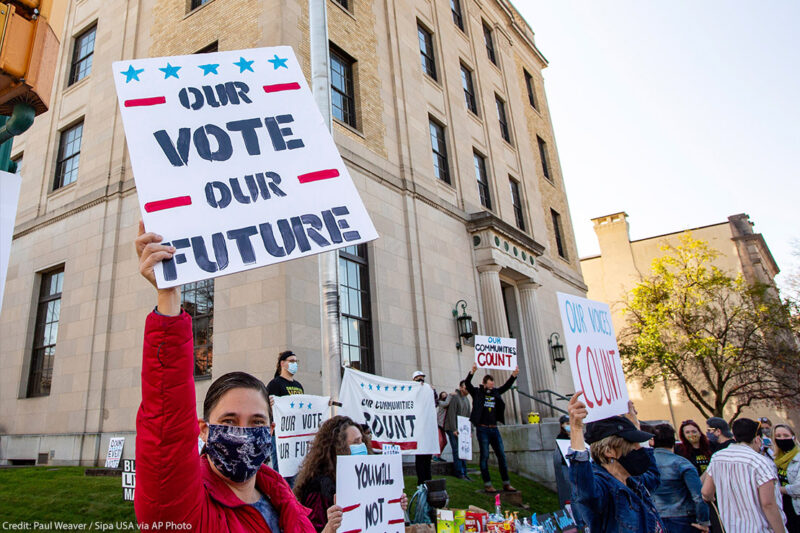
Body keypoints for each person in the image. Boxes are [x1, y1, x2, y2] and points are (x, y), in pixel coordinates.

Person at [134, 223, 315, 532]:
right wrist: (169, 298)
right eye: (229, 422)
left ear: (271, 430)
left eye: (257, 423)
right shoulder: (184, 511)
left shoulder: (284, 499)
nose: (244, 434)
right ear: (203, 430)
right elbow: (166, 417)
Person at [566, 393, 666, 532]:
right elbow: (585, 491)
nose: (639, 448)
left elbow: (653, 477)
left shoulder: (633, 481)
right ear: (609, 451)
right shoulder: (603, 487)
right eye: (633, 443)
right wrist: (576, 429)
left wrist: (634, 425)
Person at [293, 415, 408, 532]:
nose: (362, 446)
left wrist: (395, 505)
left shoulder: (367, 479)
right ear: (338, 447)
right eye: (356, 442)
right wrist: (330, 527)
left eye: (362, 440)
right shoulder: (318, 487)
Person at [701, 417, 787, 533]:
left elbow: (706, 492)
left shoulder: (718, 457)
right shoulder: (760, 462)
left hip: (733, 528)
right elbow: (768, 504)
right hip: (761, 528)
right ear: (757, 439)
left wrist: (711, 497)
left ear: (735, 437)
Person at [465, 363, 519, 493]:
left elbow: (505, 387)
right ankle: (488, 484)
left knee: (501, 455)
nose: (491, 387)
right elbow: (467, 384)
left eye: (493, 385)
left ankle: (506, 483)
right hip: (482, 429)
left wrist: (513, 375)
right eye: (489, 384)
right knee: (484, 456)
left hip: (494, 428)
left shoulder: (495, 392)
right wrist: (472, 371)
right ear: (484, 383)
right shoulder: (477, 393)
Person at [651, 424, 710, 532]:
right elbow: (698, 496)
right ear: (674, 441)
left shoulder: (644, 463)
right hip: (683, 516)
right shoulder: (682, 463)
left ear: (652, 441)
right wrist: (704, 521)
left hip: (655, 516)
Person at [267, 350, 305, 479]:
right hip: (280, 435)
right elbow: (267, 407)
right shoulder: (275, 384)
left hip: (295, 435)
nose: (295, 364)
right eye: (292, 361)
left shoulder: (298, 386)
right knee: (282, 471)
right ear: (282, 363)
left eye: (296, 361)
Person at [553, 414, 584, 529]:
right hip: (567, 466)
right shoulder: (560, 437)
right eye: (566, 424)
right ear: (562, 425)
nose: (569, 426)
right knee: (574, 494)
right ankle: (578, 521)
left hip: (578, 466)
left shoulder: (577, 435)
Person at [774, 424, 800, 532]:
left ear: (793, 437)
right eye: (778, 436)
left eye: (786, 435)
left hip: (796, 507)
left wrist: (777, 490)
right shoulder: (774, 459)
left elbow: (798, 488)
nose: (782, 439)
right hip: (782, 507)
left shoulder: (798, 458)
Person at [444, 381, 472, 480]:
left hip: (462, 429)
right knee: (456, 450)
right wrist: (454, 429)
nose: (467, 390)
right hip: (453, 428)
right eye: (465, 387)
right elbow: (451, 414)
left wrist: (470, 430)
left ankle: (464, 472)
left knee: (463, 450)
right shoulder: (455, 397)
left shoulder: (467, 400)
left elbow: (468, 416)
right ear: (461, 387)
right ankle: (459, 472)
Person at [412, 370, 434, 486]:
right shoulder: (411, 391)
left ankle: (428, 480)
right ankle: (421, 481)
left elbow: (435, 402)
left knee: (427, 458)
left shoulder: (428, 391)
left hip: (427, 429)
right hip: (418, 429)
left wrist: (431, 391)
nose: (421, 381)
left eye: (422, 379)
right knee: (420, 458)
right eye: (418, 379)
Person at [435, 391, 450, 462]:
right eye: (443, 396)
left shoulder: (448, 405)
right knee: (440, 440)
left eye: (446, 396)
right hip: (438, 424)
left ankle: (438, 455)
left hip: (443, 425)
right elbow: (446, 403)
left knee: (445, 441)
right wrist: (450, 395)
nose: (445, 397)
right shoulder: (441, 403)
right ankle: (435, 456)